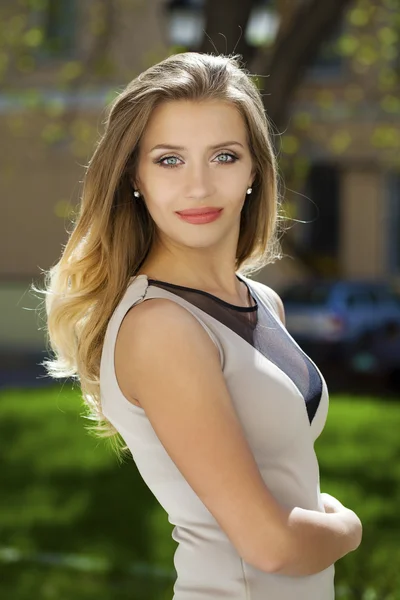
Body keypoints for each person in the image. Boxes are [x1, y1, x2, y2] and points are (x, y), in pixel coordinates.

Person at [40, 52, 362, 599]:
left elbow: (278, 480)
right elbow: (271, 547)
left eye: (224, 157)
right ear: (134, 176)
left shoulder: (262, 303)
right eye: (169, 160)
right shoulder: (160, 325)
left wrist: (314, 511)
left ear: (255, 170)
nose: (198, 187)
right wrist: (347, 527)